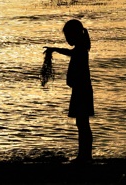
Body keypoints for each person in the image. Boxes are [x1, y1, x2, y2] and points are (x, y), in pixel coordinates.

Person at [44, 19, 94, 163]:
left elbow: (73, 54)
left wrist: (54, 50)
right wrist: (55, 49)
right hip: (80, 90)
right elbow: (70, 52)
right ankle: (84, 156)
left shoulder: (81, 49)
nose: (67, 39)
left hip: (81, 91)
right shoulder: (80, 47)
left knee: (83, 124)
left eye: (68, 36)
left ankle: (85, 157)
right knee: (81, 123)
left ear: (75, 35)